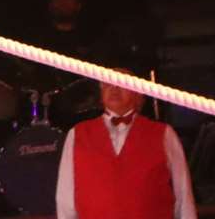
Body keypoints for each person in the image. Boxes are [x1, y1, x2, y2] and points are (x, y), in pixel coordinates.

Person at [54, 71, 197, 219]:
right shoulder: (77, 134)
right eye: (108, 84)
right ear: (101, 93)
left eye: (121, 84)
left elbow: (183, 195)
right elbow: (66, 199)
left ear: (137, 94)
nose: (114, 89)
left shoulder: (164, 134)